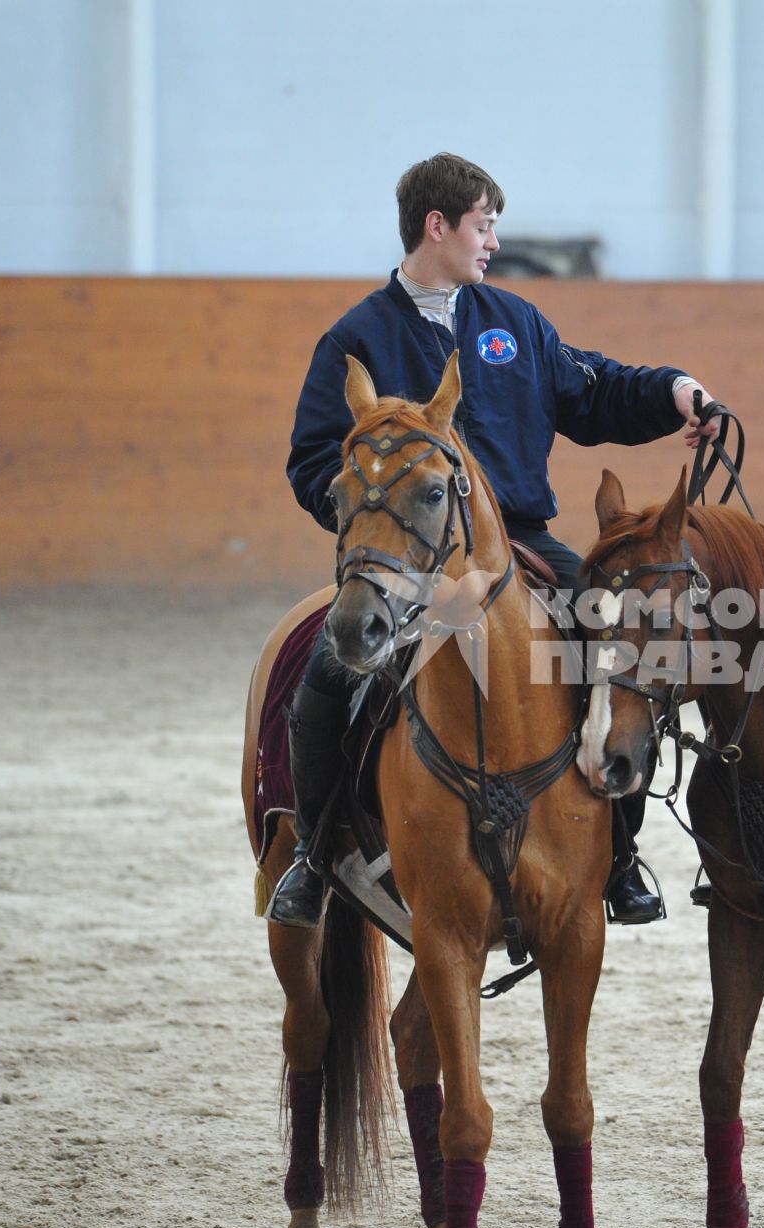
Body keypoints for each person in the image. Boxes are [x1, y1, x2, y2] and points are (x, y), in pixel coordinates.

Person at [267, 152, 726, 929]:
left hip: (521, 542)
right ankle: (314, 858)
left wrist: (674, 391)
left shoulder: (514, 322)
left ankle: (618, 854)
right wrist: (379, 522)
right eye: (484, 225)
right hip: (406, 560)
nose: (492, 243)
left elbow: (594, 388)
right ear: (437, 226)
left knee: (623, 650)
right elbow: (315, 460)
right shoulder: (356, 338)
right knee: (328, 677)